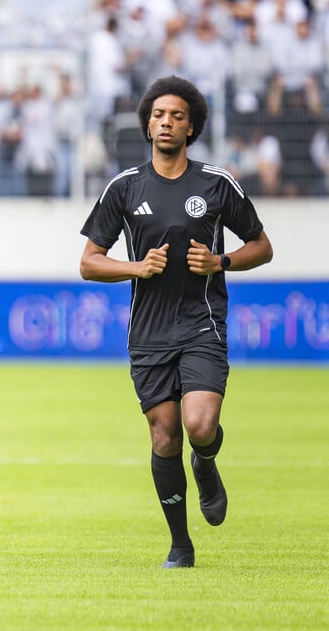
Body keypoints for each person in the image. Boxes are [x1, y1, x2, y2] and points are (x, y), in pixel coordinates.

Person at [78, 76, 273, 569]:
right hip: (148, 333)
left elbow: (262, 246)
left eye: (178, 116)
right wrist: (136, 267)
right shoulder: (124, 188)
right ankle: (180, 545)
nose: (167, 122)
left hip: (202, 324)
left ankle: (205, 462)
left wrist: (221, 263)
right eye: (159, 114)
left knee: (199, 425)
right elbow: (88, 262)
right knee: (164, 436)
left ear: (191, 128)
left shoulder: (215, 183)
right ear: (148, 124)